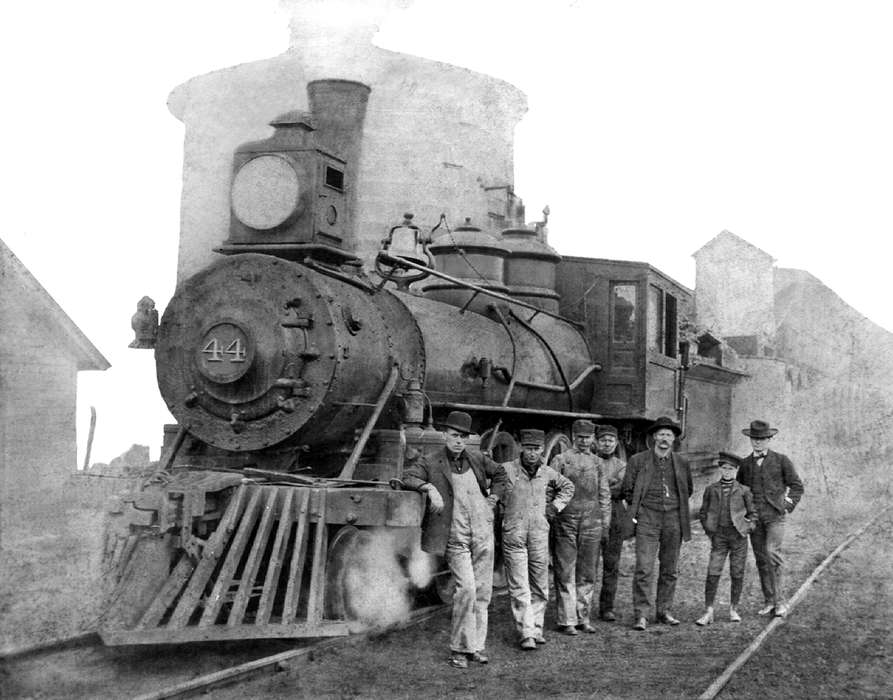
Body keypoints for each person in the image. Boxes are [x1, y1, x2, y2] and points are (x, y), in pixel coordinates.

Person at [403, 411, 508, 669]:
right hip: (455, 536)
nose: (458, 441)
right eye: (454, 436)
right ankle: (459, 649)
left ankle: (477, 647)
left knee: (483, 592)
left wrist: (493, 498)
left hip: (483, 533)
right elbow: (407, 477)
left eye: (463, 437)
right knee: (467, 590)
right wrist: (428, 489)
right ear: (444, 436)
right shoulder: (431, 462)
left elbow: (502, 475)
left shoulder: (477, 458)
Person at [501, 429, 574, 650]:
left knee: (540, 583)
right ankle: (526, 633)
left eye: (536, 449)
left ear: (542, 449)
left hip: (539, 533)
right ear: (521, 447)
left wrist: (554, 507)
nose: (532, 453)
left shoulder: (548, 472)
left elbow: (568, 487)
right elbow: (490, 488)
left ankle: (537, 628)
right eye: (528, 448)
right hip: (514, 532)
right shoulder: (506, 470)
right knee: (519, 584)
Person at [622, 416, 693, 631]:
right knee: (644, 568)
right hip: (648, 519)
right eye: (661, 434)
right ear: (654, 437)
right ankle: (641, 615)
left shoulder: (682, 462)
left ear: (674, 440)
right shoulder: (638, 460)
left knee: (670, 569)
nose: (664, 439)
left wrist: (671, 505)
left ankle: (664, 611)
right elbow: (628, 490)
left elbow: (688, 489)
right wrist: (642, 511)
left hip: (673, 520)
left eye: (668, 435)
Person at [736, 420, 804, 618]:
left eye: (762, 439)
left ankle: (780, 602)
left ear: (769, 439)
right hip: (755, 520)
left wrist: (787, 505)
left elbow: (797, 486)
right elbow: (740, 490)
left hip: (775, 517)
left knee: (772, 553)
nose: (757, 442)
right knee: (761, 560)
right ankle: (769, 601)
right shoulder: (745, 464)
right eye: (754, 439)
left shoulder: (781, 460)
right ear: (750, 440)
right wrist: (744, 515)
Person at [550, 419, 611, 635]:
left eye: (588, 437)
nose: (584, 441)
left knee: (587, 571)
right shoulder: (561, 460)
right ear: (573, 436)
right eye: (580, 437)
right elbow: (551, 489)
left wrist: (605, 522)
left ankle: (583, 618)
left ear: (593, 438)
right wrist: (553, 516)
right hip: (566, 520)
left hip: (591, 522)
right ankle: (567, 620)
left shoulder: (597, 463)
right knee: (565, 569)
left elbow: (604, 494)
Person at [695, 451, 757, 625]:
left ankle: (733, 609)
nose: (727, 471)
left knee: (737, 572)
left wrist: (748, 528)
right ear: (720, 469)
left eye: (731, 468)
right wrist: (710, 531)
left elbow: (753, 513)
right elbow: (703, 512)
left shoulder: (744, 490)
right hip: (719, 537)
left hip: (738, 537)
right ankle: (708, 610)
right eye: (724, 468)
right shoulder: (711, 489)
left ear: (736, 470)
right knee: (713, 571)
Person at [594, 424, 627, 622]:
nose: (607, 444)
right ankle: (581, 607)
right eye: (603, 440)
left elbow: (622, 488)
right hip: (592, 513)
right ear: (597, 443)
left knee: (611, 563)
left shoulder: (622, 465)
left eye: (611, 440)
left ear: (616, 444)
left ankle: (607, 607)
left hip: (615, 515)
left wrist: (601, 486)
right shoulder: (590, 462)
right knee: (587, 564)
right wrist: (609, 484)